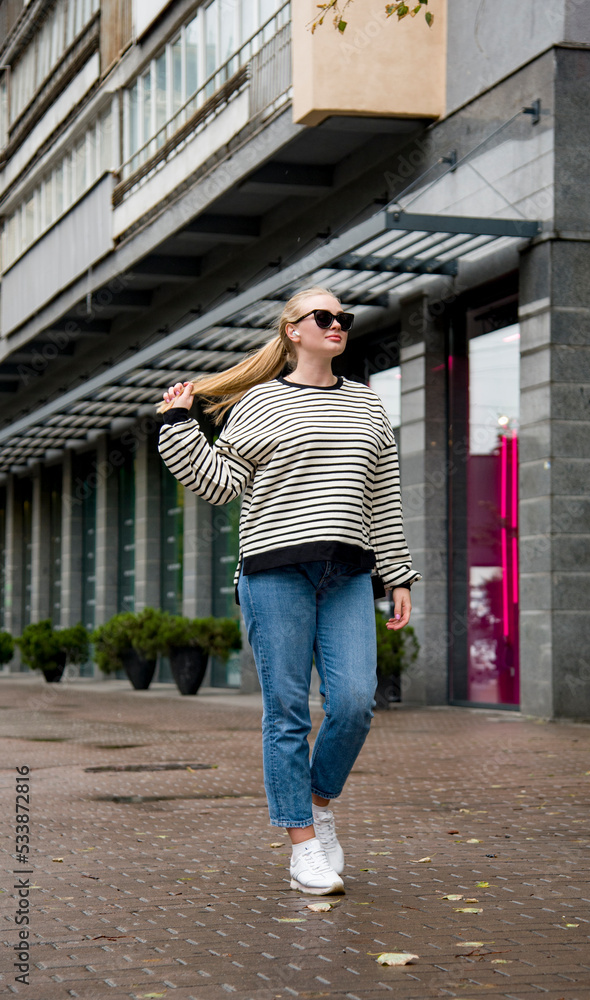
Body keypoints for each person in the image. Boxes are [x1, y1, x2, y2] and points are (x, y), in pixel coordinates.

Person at [157, 287, 420, 895]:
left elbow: (383, 496)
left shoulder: (369, 406)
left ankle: (317, 804)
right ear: (293, 330)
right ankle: (302, 844)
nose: (336, 325)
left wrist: (398, 574)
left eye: (343, 318)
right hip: (275, 574)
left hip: (349, 574)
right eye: (323, 317)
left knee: (355, 701)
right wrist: (178, 427)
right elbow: (219, 484)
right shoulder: (261, 403)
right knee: (288, 714)